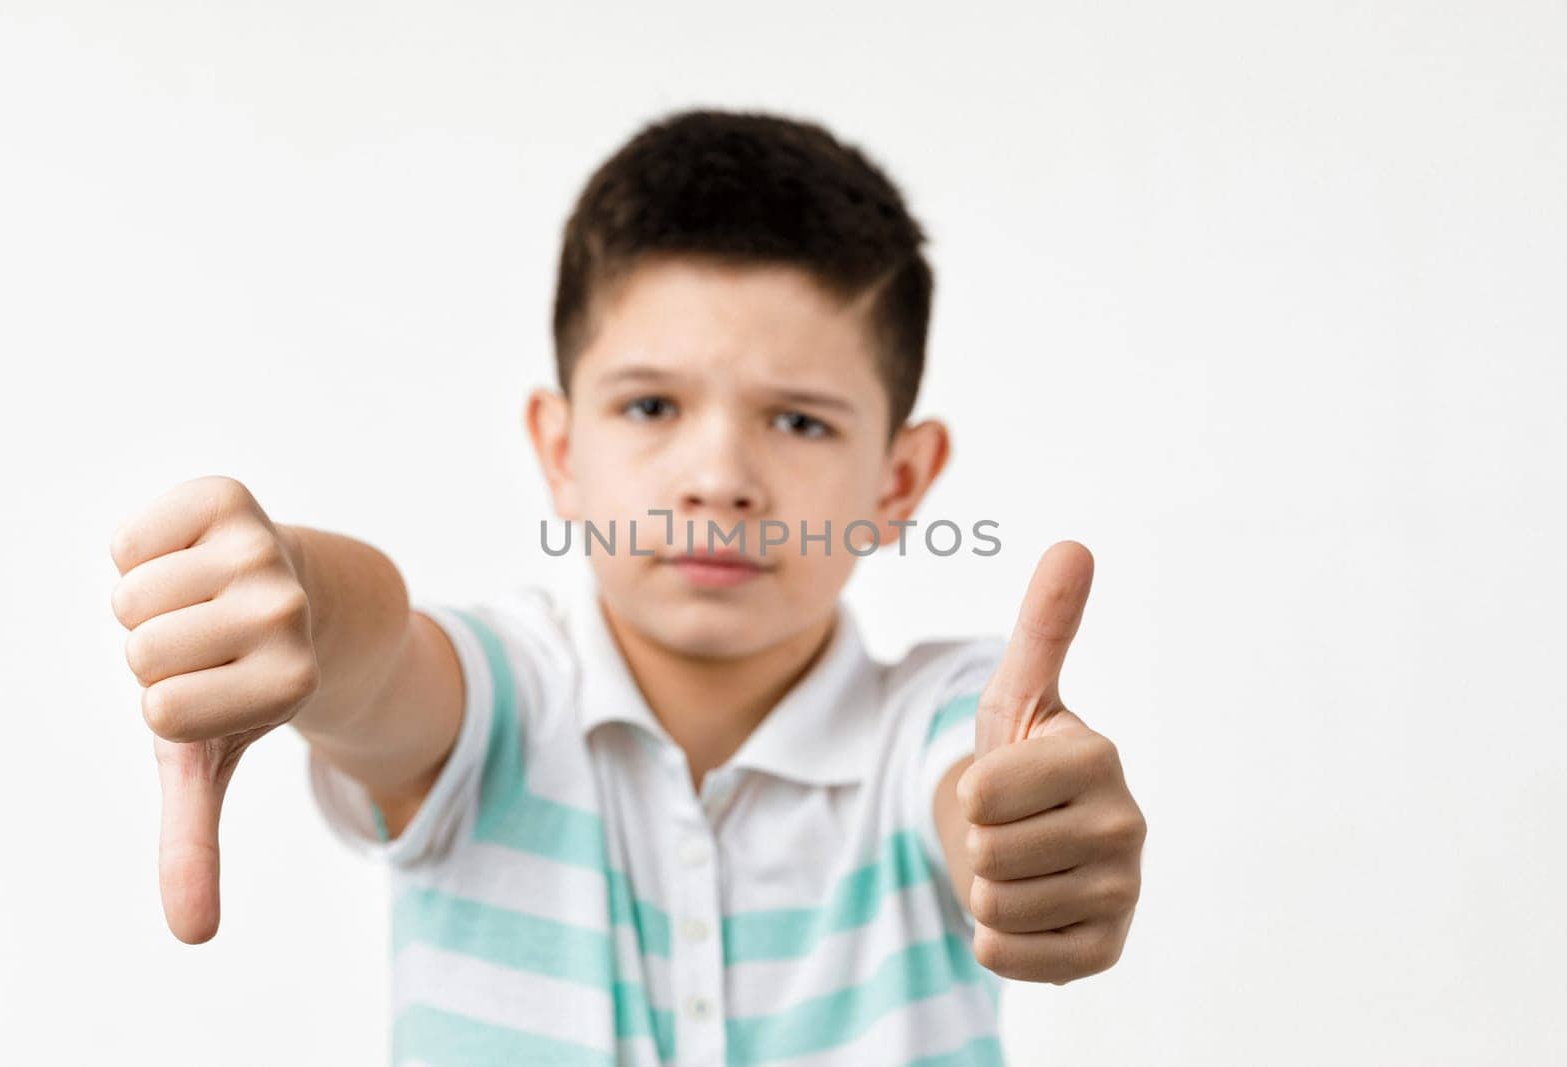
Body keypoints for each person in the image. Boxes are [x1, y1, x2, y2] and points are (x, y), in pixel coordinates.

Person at [109, 107, 1147, 1066]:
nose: (719, 479)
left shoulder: (943, 724)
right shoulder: (498, 702)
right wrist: (305, 596)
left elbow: (984, 796)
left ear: (900, 479)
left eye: (798, 421)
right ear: (560, 451)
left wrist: (1029, 847)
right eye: (650, 406)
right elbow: (379, 660)